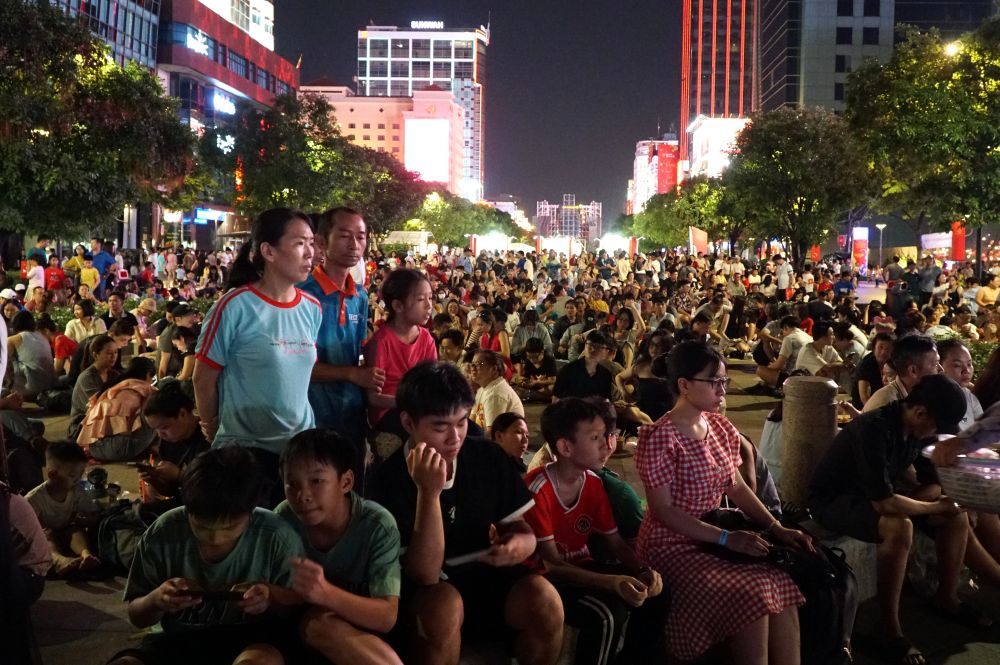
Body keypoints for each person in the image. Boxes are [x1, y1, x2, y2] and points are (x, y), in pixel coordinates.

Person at [369, 361, 564, 665]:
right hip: (425, 597)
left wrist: (517, 546)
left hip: (484, 580)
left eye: (461, 422)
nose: (455, 437)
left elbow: (523, 531)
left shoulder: (486, 456)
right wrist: (429, 493)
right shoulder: (387, 480)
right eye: (440, 427)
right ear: (408, 423)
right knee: (442, 606)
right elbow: (425, 574)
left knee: (545, 599)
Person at [636, 340, 812, 663]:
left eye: (724, 381)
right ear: (684, 385)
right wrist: (726, 538)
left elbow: (737, 487)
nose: (723, 390)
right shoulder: (660, 437)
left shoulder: (719, 426)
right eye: (714, 381)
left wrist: (776, 527)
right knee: (751, 595)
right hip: (673, 543)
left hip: (715, 535)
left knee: (780, 584)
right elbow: (663, 511)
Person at [810, 375, 989, 665]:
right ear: (920, 413)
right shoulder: (874, 428)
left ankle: (947, 598)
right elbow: (883, 503)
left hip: (881, 496)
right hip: (834, 501)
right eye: (934, 426)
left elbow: (933, 482)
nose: (935, 433)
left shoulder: (918, 429)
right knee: (899, 525)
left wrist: (953, 500)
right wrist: (934, 508)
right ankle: (888, 627)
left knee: (955, 515)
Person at [107, 446, 305, 665]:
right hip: (179, 641)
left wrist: (270, 596)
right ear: (187, 508)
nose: (215, 538)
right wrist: (157, 600)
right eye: (201, 527)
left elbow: (296, 612)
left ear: (250, 513)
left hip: (254, 641)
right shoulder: (165, 530)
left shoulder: (276, 536)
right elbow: (137, 616)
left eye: (229, 528)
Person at [193, 208, 322, 507]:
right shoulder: (234, 307)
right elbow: (203, 378)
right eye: (300, 243)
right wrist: (212, 426)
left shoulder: (312, 308)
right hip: (246, 455)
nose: (310, 253)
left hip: (298, 452)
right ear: (268, 251)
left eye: (312, 243)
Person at [526, 398, 666, 665]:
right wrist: (611, 582)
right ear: (565, 446)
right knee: (605, 614)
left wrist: (641, 569)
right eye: (595, 437)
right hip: (545, 578)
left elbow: (615, 542)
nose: (606, 444)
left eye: (605, 435)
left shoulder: (592, 482)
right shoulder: (538, 489)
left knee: (657, 594)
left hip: (581, 566)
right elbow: (552, 564)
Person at [276, 429, 403, 665]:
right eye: (291, 483)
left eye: (316, 481)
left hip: (366, 630)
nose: (302, 494)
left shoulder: (377, 525)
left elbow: (387, 616)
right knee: (321, 624)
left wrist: (325, 592)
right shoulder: (282, 520)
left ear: (346, 482)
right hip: (304, 631)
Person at [300, 207, 384, 456]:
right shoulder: (302, 294)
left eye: (361, 236)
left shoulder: (359, 296)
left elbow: (357, 353)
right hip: (311, 415)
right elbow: (294, 365)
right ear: (322, 242)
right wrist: (352, 374)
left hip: (352, 414)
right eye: (345, 236)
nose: (355, 244)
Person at [363, 268, 438, 429]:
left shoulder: (427, 339)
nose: (429, 305)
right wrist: (411, 404)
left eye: (430, 298)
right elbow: (374, 398)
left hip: (418, 411)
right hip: (388, 415)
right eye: (420, 300)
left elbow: (432, 384)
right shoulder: (381, 341)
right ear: (398, 305)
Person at [25, 442, 101, 576]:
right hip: (46, 536)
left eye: (80, 475)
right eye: (72, 476)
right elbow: (27, 531)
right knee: (46, 537)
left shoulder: (76, 491)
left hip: (66, 531)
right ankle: (58, 560)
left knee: (76, 530)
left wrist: (89, 517)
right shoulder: (34, 499)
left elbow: (92, 512)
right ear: (53, 474)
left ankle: (86, 555)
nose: (78, 480)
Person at [137, 383, 209, 510]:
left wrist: (180, 475)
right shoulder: (168, 442)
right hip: (184, 502)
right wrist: (155, 479)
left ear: (182, 413)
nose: (160, 435)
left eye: (164, 427)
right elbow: (171, 490)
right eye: (156, 430)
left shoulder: (209, 437)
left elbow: (214, 491)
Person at [76, 357, 156, 462]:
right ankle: (159, 448)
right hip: (118, 448)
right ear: (147, 374)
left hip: (94, 448)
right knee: (157, 409)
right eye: (152, 377)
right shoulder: (141, 387)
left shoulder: (117, 385)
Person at [863, 334, 940, 412]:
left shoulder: (916, 394)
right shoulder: (887, 405)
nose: (941, 369)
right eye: (935, 364)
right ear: (913, 370)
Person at [68, 334, 119, 441]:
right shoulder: (87, 378)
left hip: (103, 422)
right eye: (109, 353)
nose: (114, 357)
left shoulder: (113, 374)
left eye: (116, 352)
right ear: (95, 355)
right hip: (82, 426)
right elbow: (99, 407)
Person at [468, 348, 523, 431]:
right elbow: (471, 423)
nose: (473, 367)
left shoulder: (495, 394)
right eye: (472, 364)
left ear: (494, 369)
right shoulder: (483, 389)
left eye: (479, 364)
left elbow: (492, 435)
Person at [753, 315, 812, 390]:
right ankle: (771, 386)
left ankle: (776, 387)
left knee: (760, 370)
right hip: (808, 375)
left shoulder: (789, 338)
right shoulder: (808, 337)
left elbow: (778, 365)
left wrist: (769, 367)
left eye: (782, 332)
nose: (782, 334)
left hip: (794, 377)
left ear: (786, 328)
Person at [553, 329, 614, 401]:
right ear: (585, 346)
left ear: (606, 351)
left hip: (593, 411)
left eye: (598, 346)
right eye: (591, 345)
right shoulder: (568, 370)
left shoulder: (606, 375)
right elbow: (556, 398)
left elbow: (605, 401)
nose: (593, 349)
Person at [937, 338, 983, 431]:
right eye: (957, 365)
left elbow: (984, 431)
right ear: (939, 367)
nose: (967, 371)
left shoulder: (969, 396)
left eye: (969, 364)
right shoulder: (932, 399)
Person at [7, 310, 54, 400]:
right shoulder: (42, 337)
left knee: (8, 360)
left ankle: (12, 392)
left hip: (30, 390)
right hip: (49, 387)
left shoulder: (13, 339)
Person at [851, 332, 894, 409]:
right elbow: (864, 397)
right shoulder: (867, 365)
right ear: (874, 348)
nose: (884, 352)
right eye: (880, 347)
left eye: (887, 349)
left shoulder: (892, 363)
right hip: (863, 409)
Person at [156, 303, 198, 380]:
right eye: (188, 316)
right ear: (178, 319)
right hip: (172, 372)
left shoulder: (189, 327)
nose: (192, 318)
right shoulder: (169, 334)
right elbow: (163, 364)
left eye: (192, 314)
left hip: (185, 366)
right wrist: (162, 384)